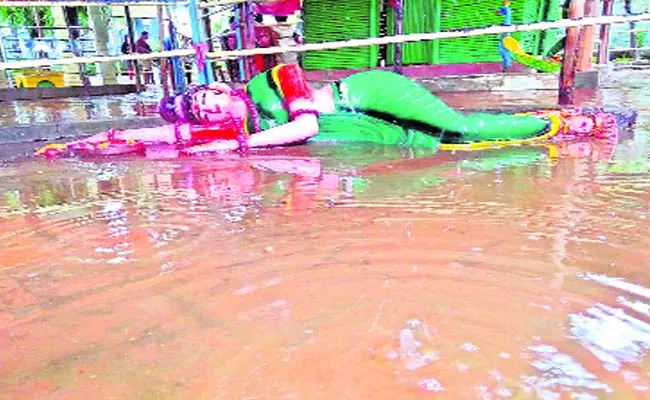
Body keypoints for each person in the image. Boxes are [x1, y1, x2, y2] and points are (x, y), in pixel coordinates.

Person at [36, 63, 617, 158]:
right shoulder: (236, 123)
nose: (208, 103)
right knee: (442, 151)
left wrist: (236, 147)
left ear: (222, 86)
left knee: (454, 125)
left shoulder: (275, 78)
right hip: (356, 126)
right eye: (197, 106)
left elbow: (307, 126)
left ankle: (564, 120)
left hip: (365, 93)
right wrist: (89, 142)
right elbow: (163, 137)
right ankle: (556, 133)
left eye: (207, 94)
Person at [496, 0, 513, 72]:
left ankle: (507, 65)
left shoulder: (506, 9)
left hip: (506, 30)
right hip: (506, 30)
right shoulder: (507, 9)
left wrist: (499, 10)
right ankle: (507, 64)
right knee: (504, 46)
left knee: (504, 47)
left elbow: (497, 13)